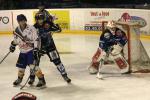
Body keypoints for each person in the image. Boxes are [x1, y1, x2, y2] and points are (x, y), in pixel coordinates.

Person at [28, 12, 71, 85]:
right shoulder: (33, 28)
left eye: (41, 19)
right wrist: (35, 49)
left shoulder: (48, 24)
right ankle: (32, 77)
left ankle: (65, 75)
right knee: (34, 63)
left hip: (50, 47)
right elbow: (32, 39)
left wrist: (57, 27)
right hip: (39, 48)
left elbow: (58, 30)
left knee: (57, 61)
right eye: (38, 19)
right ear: (36, 20)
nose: (40, 21)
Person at [9, 14, 46, 88]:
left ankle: (42, 80)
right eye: (20, 21)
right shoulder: (16, 30)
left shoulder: (32, 28)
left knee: (33, 66)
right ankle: (19, 79)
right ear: (18, 21)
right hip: (22, 51)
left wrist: (36, 49)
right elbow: (16, 40)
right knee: (21, 67)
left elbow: (36, 39)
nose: (21, 22)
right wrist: (13, 45)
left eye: (23, 20)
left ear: (25, 20)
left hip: (30, 50)